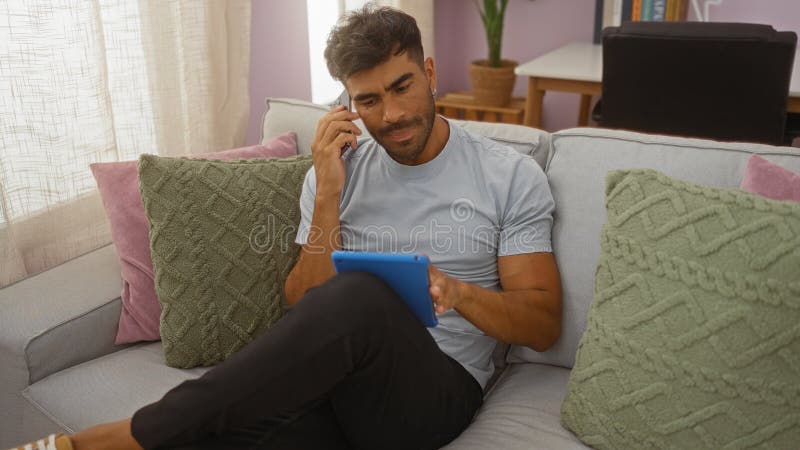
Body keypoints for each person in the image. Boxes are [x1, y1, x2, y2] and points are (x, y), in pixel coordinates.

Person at [10, 5, 561, 450]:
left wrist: (460, 292)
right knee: (215, 434)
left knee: (361, 295)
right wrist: (326, 192)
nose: (391, 114)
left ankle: (130, 432)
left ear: (431, 73)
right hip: (341, 386)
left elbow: (541, 323)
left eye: (402, 87)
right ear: (348, 105)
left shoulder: (506, 175)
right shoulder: (337, 174)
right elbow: (304, 302)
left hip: (434, 392)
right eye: (369, 100)